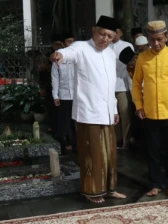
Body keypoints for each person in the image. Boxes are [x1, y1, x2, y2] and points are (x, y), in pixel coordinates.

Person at [51, 16, 126, 204]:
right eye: (102, 34)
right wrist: (60, 54)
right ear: (94, 31)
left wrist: (114, 109)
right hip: (88, 111)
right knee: (92, 153)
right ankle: (91, 191)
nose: (105, 39)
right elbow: (69, 52)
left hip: (107, 112)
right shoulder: (81, 47)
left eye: (109, 36)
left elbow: (110, 84)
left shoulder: (110, 54)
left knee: (109, 153)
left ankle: (110, 188)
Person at [132, 20, 168, 198]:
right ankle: (155, 183)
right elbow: (136, 84)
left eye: (159, 39)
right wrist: (139, 106)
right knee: (152, 151)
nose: (156, 44)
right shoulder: (143, 58)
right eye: (152, 40)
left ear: (166, 37)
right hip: (149, 113)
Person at [110, 24, 135, 150]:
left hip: (122, 85)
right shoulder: (105, 46)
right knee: (112, 115)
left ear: (121, 33)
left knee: (125, 114)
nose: (114, 35)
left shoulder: (127, 46)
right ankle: (117, 139)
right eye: (112, 32)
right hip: (109, 87)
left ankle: (125, 142)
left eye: (117, 32)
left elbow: (131, 66)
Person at [51, 34, 76, 153]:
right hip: (64, 94)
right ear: (64, 43)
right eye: (69, 41)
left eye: (73, 41)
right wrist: (55, 95)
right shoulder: (57, 58)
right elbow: (55, 78)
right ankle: (63, 144)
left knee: (75, 121)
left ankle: (75, 144)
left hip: (77, 95)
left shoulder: (77, 57)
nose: (71, 43)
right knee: (63, 121)